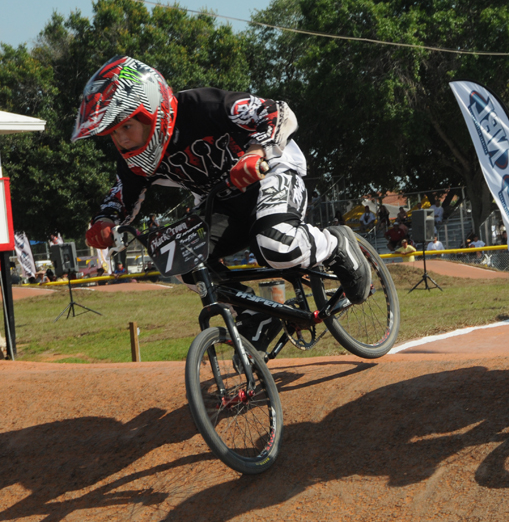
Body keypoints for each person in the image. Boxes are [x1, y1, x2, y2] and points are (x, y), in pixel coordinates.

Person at [71, 55, 371, 352]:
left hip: (270, 173)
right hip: (222, 202)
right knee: (178, 255)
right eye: (113, 133)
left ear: (152, 111)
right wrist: (105, 221)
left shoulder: (201, 106)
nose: (122, 140)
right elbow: (121, 194)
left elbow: (277, 112)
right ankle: (256, 314)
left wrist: (255, 152)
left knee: (275, 245)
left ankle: (336, 244)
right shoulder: (134, 161)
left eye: (126, 127)